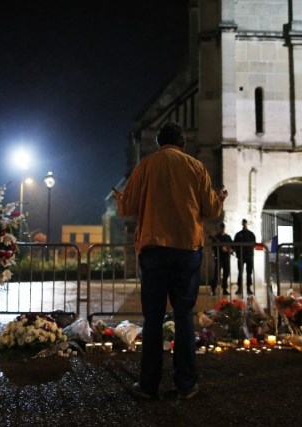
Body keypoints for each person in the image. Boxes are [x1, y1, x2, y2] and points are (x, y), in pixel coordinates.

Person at [113, 121, 227, 399]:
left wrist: (120, 198)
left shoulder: (147, 165)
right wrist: (219, 197)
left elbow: (127, 208)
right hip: (188, 248)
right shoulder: (196, 166)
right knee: (184, 315)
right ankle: (186, 383)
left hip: (154, 248)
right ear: (183, 143)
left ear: (158, 143)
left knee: (153, 317)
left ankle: (149, 385)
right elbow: (210, 210)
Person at [209, 222, 233, 296]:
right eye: (221, 227)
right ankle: (213, 288)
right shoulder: (216, 237)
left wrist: (230, 250)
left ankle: (224, 289)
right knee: (217, 274)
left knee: (226, 273)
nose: (222, 229)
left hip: (226, 258)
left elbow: (232, 246)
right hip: (219, 257)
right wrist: (220, 248)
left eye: (223, 227)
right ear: (219, 228)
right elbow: (213, 247)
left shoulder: (228, 237)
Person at [233, 219, 256, 295]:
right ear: (242, 224)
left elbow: (254, 244)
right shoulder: (238, 234)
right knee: (240, 273)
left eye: (245, 223)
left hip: (249, 256)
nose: (244, 225)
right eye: (243, 223)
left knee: (249, 273)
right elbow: (234, 245)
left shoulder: (251, 234)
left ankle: (248, 288)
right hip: (241, 256)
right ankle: (239, 288)